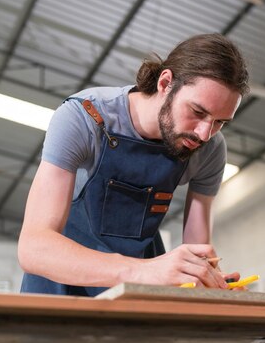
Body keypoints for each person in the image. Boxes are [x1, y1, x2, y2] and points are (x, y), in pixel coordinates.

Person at [18, 33, 249, 296]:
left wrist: (211, 283)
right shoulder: (83, 118)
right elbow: (33, 248)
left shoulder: (210, 149)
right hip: (61, 286)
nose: (205, 133)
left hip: (142, 289)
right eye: (197, 112)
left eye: (220, 122)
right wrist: (142, 271)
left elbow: (199, 251)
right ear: (165, 83)